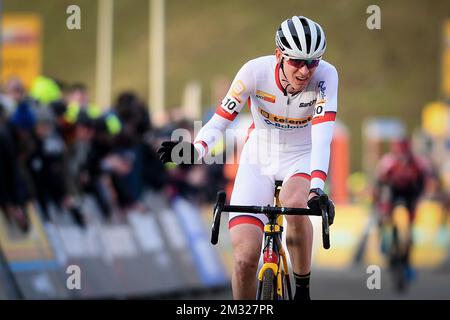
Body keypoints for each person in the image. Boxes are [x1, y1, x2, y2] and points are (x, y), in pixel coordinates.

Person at [158, 16, 337, 300]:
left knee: (294, 202)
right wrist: (196, 150)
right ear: (279, 55)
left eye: (312, 62)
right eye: (296, 62)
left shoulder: (327, 75)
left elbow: (323, 135)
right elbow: (220, 121)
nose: (305, 71)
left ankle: (302, 289)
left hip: (301, 156)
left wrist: (317, 187)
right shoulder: (253, 72)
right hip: (258, 158)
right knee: (244, 259)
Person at [373, 137, 429, 280]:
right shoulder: (388, 162)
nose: (403, 160)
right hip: (393, 190)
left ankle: (407, 260)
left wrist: (419, 199)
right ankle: (384, 239)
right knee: (384, 214)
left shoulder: (418, 163)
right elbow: (379, 183)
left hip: (410, 192)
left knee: (410, 229)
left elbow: (423, 182)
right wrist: (380, 202)